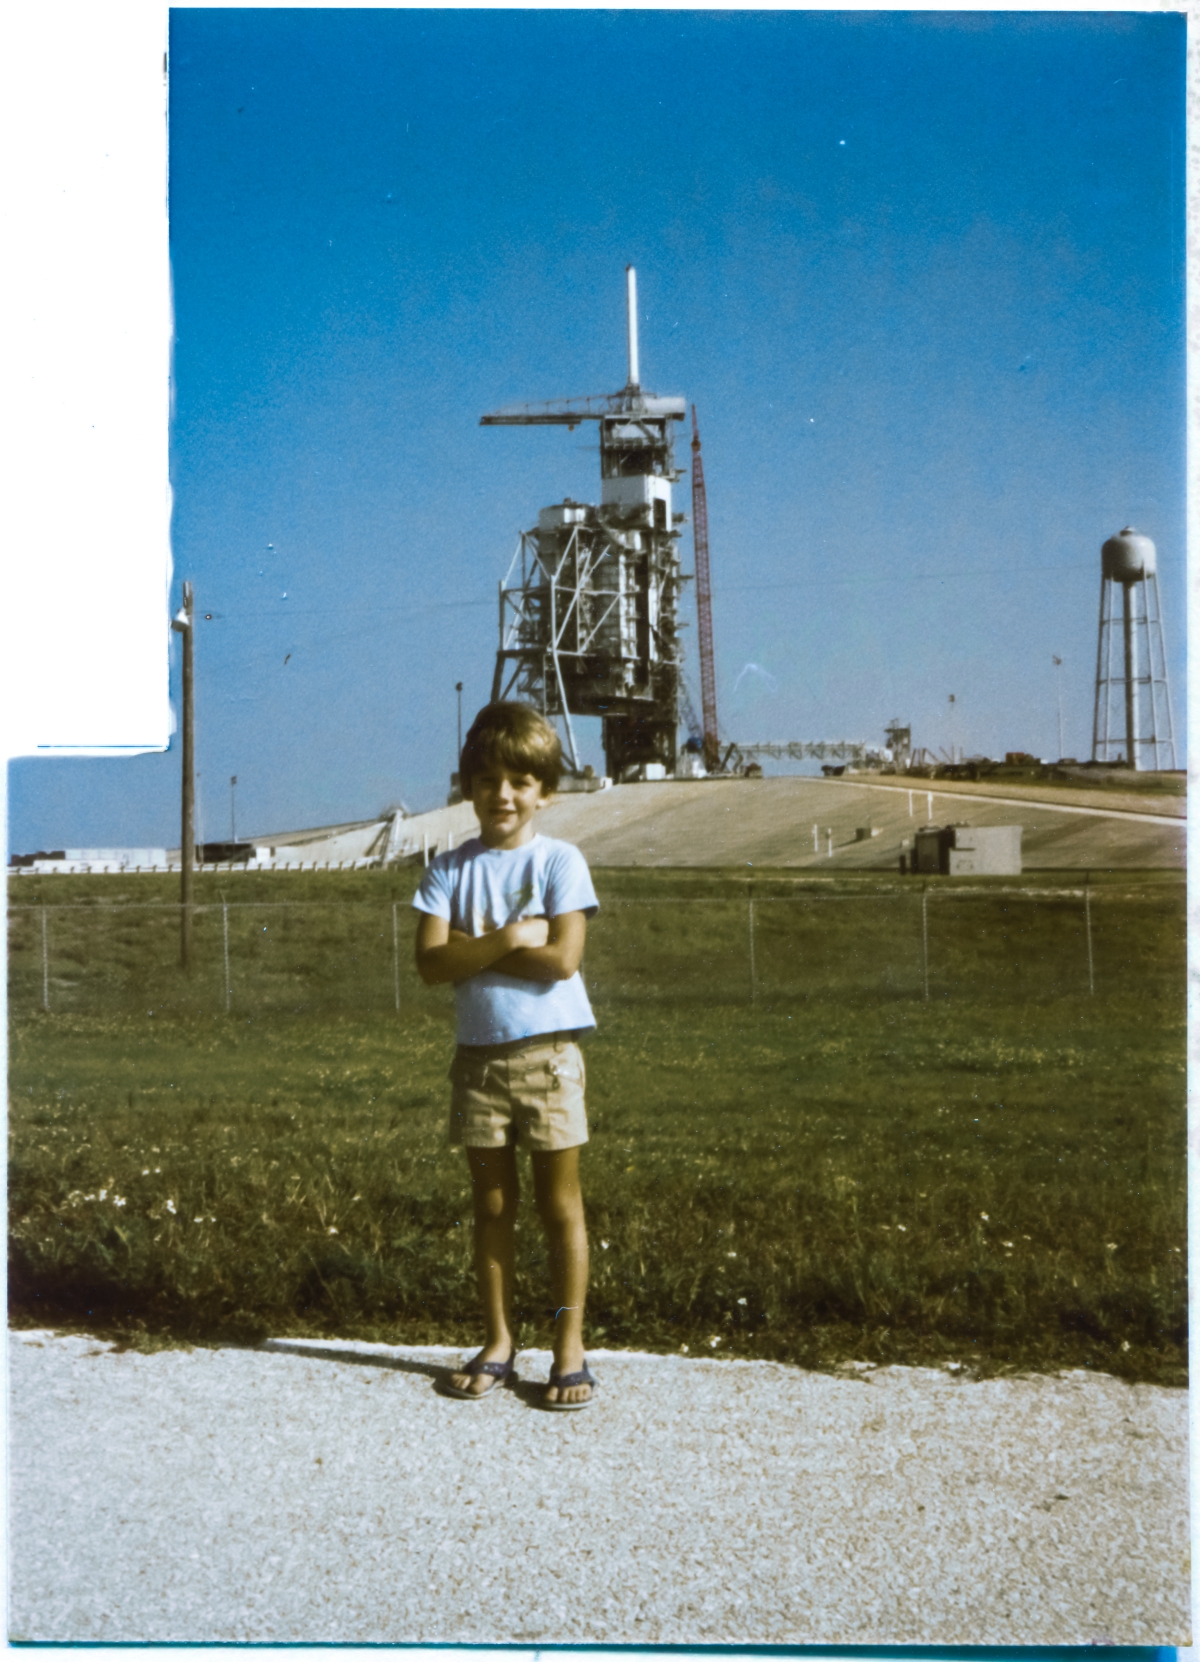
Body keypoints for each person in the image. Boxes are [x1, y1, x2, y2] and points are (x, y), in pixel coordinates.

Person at [413, 702, 599, 1410]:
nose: (503, 794)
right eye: (487, 779)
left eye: (521, 780)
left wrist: (472, 951)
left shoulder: (560, 861)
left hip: (550, 1059)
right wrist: (509, 938)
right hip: (479, 1066)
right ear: (467, 786)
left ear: (545, 792)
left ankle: (568, 1347)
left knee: (559, 1207)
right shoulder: (446, 870)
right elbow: (430, 965)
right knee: (492, 1207)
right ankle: (497, 1340)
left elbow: (562, 960)